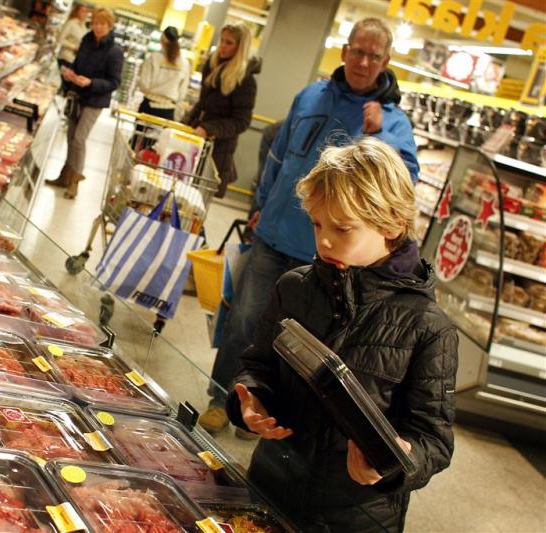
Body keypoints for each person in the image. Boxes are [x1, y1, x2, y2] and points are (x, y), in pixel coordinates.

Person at [198, 18, 419, 434]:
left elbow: (401, 185)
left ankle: (277, 418)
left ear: (386, 62)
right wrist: (260, 205)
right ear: (344, 51)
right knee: (244, 322)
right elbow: (278, 155)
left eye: (374, 55)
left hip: (329, 258)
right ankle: (222, 399)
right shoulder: (311, 95)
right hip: (273, 235)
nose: (363, 61)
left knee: (303, 347)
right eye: (357, 50)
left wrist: (380, 135)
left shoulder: (394, 122)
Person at [228, 137, 456, 531]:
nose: (325, 240)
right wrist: (251, 403)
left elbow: (433, 438)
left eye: (343, 228)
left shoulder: (429, 328)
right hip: (271, 486)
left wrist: (396, 462)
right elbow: (258, 365)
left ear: (392, 224)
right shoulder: (294, 288)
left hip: (356, 515)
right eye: (317, 223)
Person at [48, 7, 123, 199]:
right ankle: (65, 175)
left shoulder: (115, 52)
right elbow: (78, 64)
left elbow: (114, 82)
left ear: (110, 26)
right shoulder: (86, 41)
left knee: (79, 139)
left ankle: (74, 182)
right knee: (71, 138)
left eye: (102, 24)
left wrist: (91, 82)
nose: (98, 27)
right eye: (95, 22)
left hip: (95, 100)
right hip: (78, 95)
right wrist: (70, 73)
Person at [182, 22, 260, 198]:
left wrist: (209, 128)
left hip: (217, 152)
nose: (222, 46)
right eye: (222, 40)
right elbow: (202, 103)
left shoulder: (245, 80)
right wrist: (184, 124)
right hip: (195, 141)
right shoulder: (212, 65)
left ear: (240, 48)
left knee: (195, 204)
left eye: (229, 43)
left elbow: (242, 121)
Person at [137, 26, 190, 121]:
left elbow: (144, 84)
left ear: (162, 40)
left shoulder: (153, 58)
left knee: (140, 135)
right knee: (161, 136)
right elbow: (182, 91)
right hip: (168, 110)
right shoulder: (184, 62)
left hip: (148, 107)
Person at [56, 4, 88, 70]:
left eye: (86, 11)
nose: (84, 13)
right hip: (65, 58)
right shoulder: (71, 23)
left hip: (75, 60)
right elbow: (60, 39)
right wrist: (74, 47)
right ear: (76, 12)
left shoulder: (83, 26)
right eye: (82, 11)